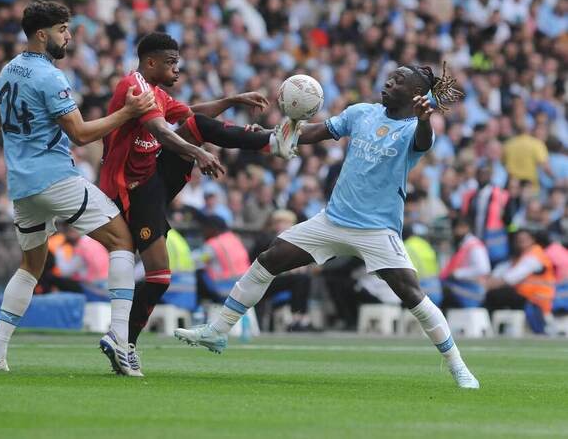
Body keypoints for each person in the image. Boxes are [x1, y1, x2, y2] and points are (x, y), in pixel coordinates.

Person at [176, 62, 481, 388]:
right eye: (390, 77)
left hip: (377, 229)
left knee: (412, 295)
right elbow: (316, 132)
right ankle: (219, 331)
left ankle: (458, 366)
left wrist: (424, 119)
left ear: (416, 94)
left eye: (398, 81)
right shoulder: (363, 112)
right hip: (334, 220)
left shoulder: (415, 129)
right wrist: (276, 135)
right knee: (270, 257)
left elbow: (423, 140)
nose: (388, 82)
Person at [99, 32, 298, 374]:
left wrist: (232, 99)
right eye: (171, 63)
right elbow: (162, 132)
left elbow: (191, 114)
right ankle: (125, 342)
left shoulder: (158, 92)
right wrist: (198, 152)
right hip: (131, 189)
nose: (178, 69)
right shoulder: (133, 88)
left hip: (153, 179)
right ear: (150, 63)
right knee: (160, 277)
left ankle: (271, 142)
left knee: (196, 124)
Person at [0, 0, 156, 376]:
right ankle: (119, 339)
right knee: (122, 242)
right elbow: (79, 133)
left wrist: (21, 150)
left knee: (30, 265)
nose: (69, 36)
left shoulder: (8, 70)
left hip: (23, 185)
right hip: (56, 178)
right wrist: (128, 112)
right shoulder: (50, 76)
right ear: (42, 34)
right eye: (63, 30)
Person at [484, 229, 556, 333]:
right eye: (518, 239)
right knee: (496, 294)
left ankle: (488, 328)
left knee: (494, 295)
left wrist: (489, 284)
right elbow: (503, 270)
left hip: (536, 299)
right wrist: (490, 281)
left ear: (532, 240)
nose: (520, 242)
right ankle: (495, 326)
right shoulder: (523, 255)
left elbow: (511, 278)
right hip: (528, 296)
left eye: (524, 239)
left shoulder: (534, 256)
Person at [461, 163, 510, 265]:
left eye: (486, 173)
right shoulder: (470, 195)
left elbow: (507, 217)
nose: (483, 176)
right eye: (480, 173)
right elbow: (465, 215)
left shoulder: (501, 194)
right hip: (475, 235)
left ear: (491, 175)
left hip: (493, 236)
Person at [440, 218, 491, 309]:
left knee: (442, 289)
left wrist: (457, 274)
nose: (457, 231)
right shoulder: (461, 244)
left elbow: (483, 268)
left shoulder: (473, 245)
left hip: (473, 290)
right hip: (462, 286)